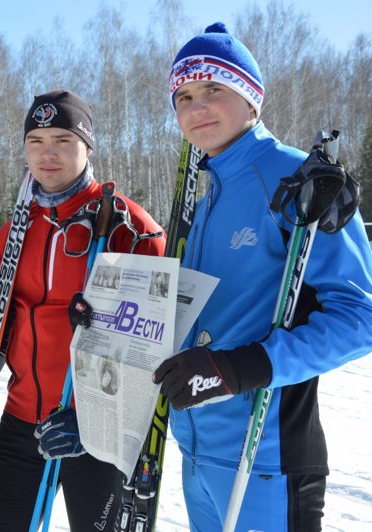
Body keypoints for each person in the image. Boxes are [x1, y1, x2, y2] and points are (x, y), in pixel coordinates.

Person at [152, 23, 372, 531]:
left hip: (266, 461)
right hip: (198, 453)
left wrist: (243, 367)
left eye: (213, 90)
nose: (195, 107)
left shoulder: (301, 181)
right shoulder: (206, 194)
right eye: (183, 96)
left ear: (251, 100)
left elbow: (359, 318)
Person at [0, 90, 166, 531]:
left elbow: (154, 350)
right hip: (23, 422)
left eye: (62, 140)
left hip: (96, 434)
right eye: (35, 141)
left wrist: (95, 418)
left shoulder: (131, 229)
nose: (48, 154)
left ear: (88, 146)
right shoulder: (14, 232)